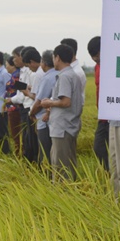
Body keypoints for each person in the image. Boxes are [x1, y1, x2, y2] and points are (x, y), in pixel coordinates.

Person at [41, 44, 83, 181]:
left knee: (61, 168)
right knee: (66, 164)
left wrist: (49, 103)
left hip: (63, 128)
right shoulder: (72, 75)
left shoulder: (65, 76)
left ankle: (63, 195)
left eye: (54, 57)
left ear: (57, 58)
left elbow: (65, 102)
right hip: (66, 126)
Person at [29, 50, 57, 165]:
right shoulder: (58, 74)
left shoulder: (47, 78)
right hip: (53, 120)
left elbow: (39, 102)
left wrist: (32, 113)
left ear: (43, 63)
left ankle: (49, 178)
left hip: (44, 122)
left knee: (46, 154)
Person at [87, 36, 109, 171]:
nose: (95, 58)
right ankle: (108, 173)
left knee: (107, 148)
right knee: (99, 148)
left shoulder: (112, 65)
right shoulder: (97, 67)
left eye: (97, 55)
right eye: (92, 56)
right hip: (103, 117)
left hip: (112, 117)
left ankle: (112, 175)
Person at [20, 46, 42, 162]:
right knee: (30, 139)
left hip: (34, 110)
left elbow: (38, 97)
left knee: (34, 141)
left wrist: (27, 93)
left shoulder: (36, 74)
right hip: (32, 109)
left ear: (32, 62)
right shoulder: (35, 73)